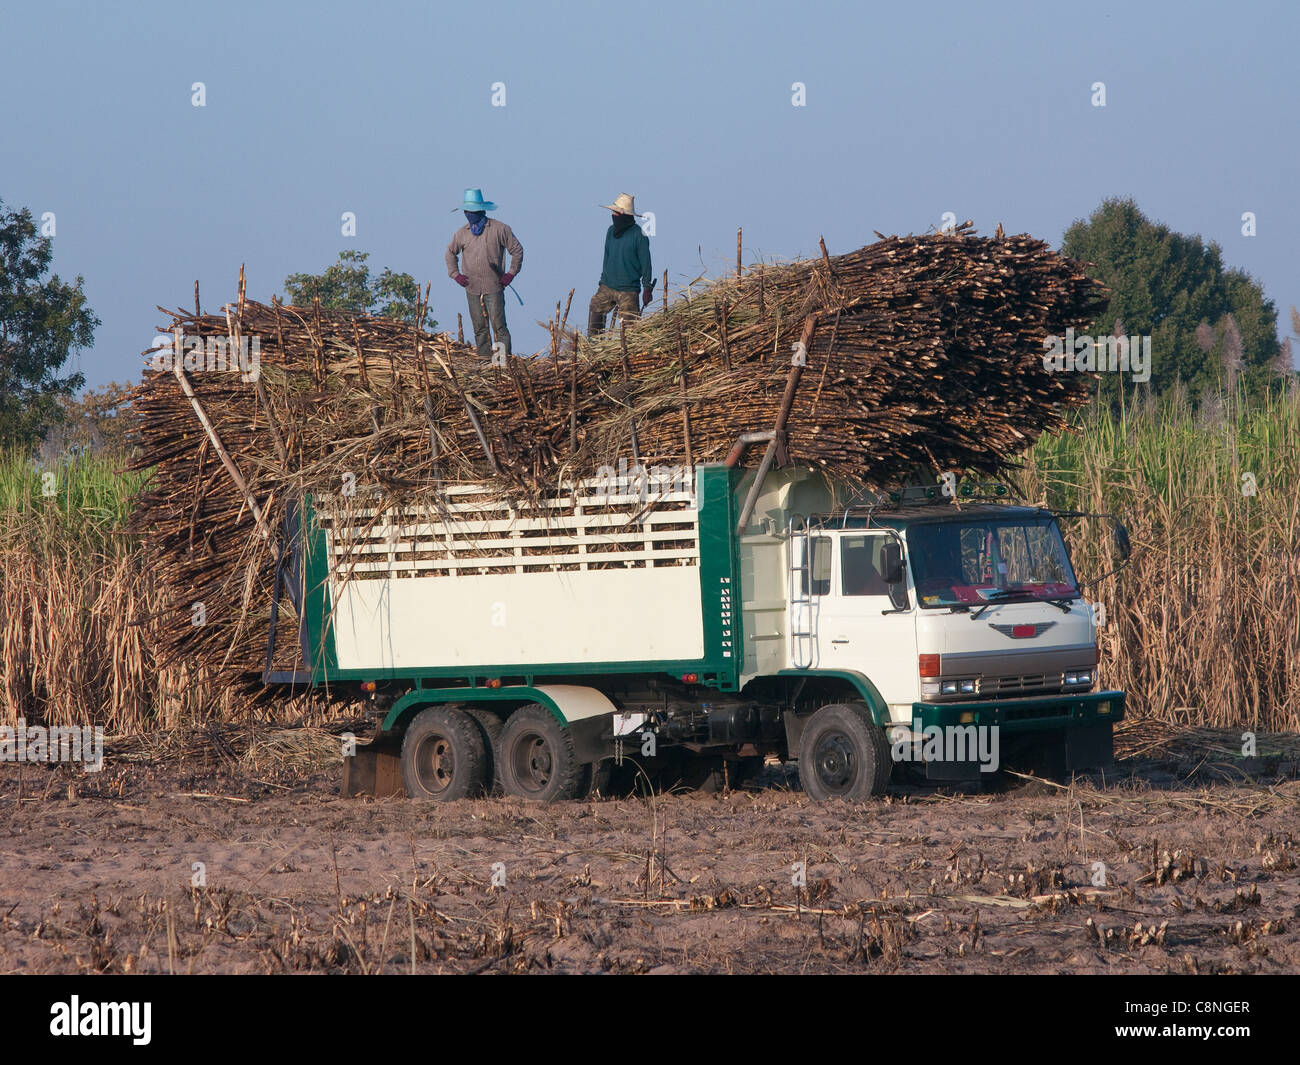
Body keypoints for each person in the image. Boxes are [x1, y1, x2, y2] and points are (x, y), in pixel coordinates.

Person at [445, 188, 523, 359]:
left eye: (472, 211)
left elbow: (517, 250)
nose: (469, 214)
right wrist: (455, 274)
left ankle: (501, 362)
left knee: (499, 326)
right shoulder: (461, 233)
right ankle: (485, 363)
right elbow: (450, 253)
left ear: (481, 210)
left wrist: (511, 273)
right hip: (472, 288)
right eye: (466, 211)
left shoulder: (500, 229)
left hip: (494, 286)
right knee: (480, 328)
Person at [587, 193, 653, 336]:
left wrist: (647, 287)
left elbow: (646, 263)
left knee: (629, 329)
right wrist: (602, 281)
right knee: (595, 306)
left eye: (615, 212)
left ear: (624, 214)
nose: (613, 215)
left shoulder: (639, 235)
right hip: (607, 286)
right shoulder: (610, 232)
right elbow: (607, 257)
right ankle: (594, 346)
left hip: (628, 290)